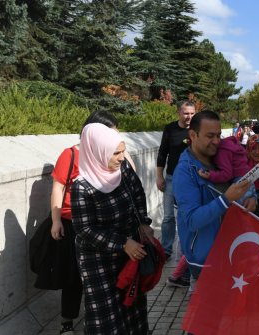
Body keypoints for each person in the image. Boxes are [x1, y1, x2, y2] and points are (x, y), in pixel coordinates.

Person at [71, 123, 153, 334]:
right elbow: (85, 228)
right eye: (115, 153)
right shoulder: (82, 186)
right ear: (97, 152)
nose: (122, 157)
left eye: (122, 151)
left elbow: (137, 193)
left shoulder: (123, 170)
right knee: (106, 317)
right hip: (98, 261)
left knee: (132, 307)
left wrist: (143, 222)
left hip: (129, 253)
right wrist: (123, 243)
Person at [48, 110, 124, 335]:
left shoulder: (112, 154)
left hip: (104, 222)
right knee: (74, 277)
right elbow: (58, 187)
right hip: (73, 223)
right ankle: (67, 322)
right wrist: (55, 220)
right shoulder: (71, 154)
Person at [174, 111, 256, 285]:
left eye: (219, 135)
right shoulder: (185, 171)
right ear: (192, 135)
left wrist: (252, 197)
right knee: (211, 311)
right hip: (205, 260)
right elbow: (191, 220)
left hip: (230, 251)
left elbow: (240, 177)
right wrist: (225, 199)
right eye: (210, 136)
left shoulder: (220, 156)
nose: (217, 141)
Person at [156, 100, 195, 284]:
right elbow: (163, 152)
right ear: (179, 112)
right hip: (171, 178)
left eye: (192, 113)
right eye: (186, 113)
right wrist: (159, 176)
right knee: (168, 217)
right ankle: (166, 249)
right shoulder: (170, 129)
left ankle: (185, 251)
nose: (189, 117)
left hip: (189, 180)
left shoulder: (196, 129)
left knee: (185, 217)